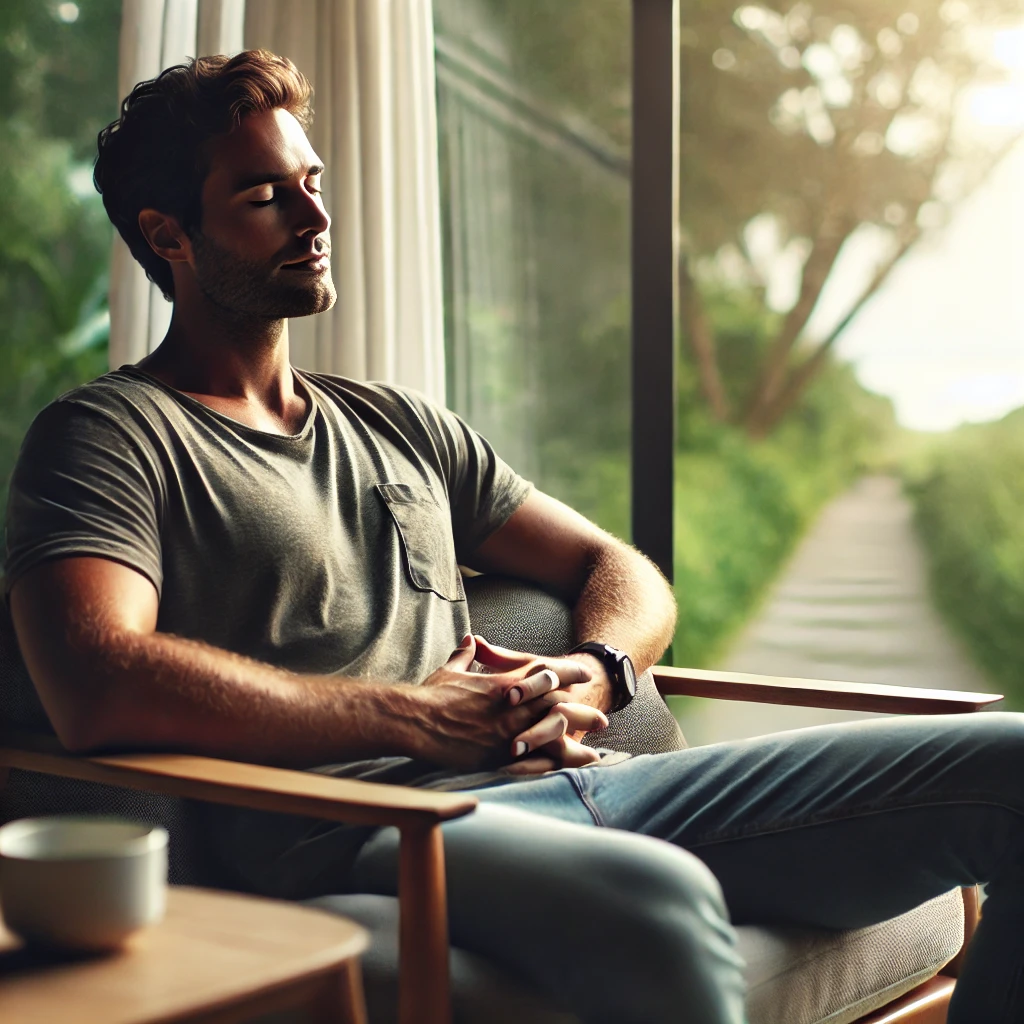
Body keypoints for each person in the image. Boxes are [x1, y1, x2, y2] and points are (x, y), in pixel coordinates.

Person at [4, 51, 1023, 1024]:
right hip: (375, 830)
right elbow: (97, 680)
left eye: (311, 181)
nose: (316, 217)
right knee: (656, 902)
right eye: (265, 196)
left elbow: (614, 566)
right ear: (169, 236)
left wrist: (599, 671)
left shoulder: (397, 422)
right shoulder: (109, 437)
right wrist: (415, 718)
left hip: (591, 780)